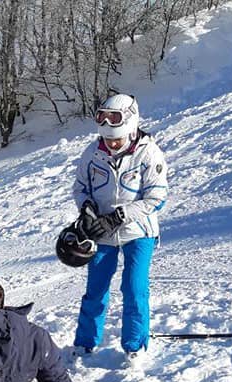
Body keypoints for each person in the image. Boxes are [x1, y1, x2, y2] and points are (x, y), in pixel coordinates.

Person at [69, 93, 168, 363]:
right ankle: (85, 343)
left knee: (134, 287)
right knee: (96, 287)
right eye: (107, 139)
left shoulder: (149, 153)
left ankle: (135, 345)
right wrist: (87, 208)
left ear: (132, 129)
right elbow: (80, 188)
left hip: (138, 231)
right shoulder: (92, 153)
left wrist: (120, 216)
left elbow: (156, 198)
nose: (112, 144)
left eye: (117, 139)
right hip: (102, 232)